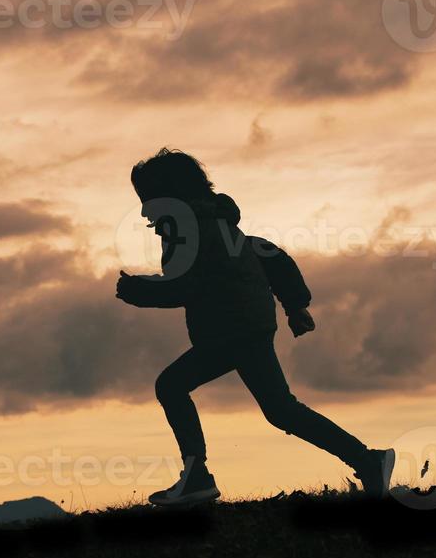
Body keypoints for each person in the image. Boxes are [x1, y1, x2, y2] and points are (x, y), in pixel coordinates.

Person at [115, 148, 395, 505]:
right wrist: (295, 305)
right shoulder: (217, 221)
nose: (143, 210)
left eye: (147, 199)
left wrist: (138, 290)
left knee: (171, 386)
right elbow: (268, 253)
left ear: (169, 194)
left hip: (229, 328)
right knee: (280, 409)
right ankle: (367, 460)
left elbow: (188, 285)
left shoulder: (190, 229)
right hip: (248, 325)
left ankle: (197, 477)